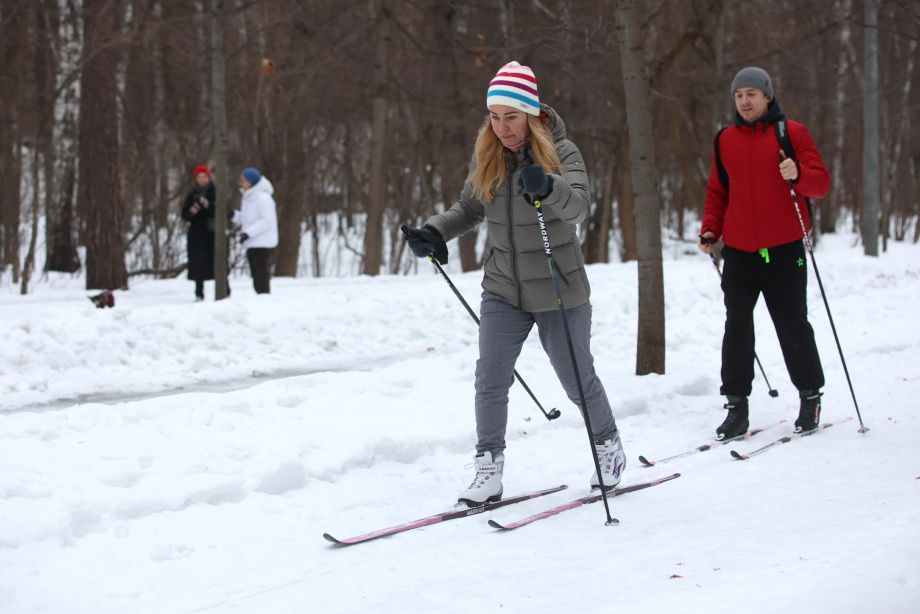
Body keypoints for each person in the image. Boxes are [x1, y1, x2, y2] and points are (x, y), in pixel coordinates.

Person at [403, 61, 625, 507]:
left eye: (511, 116)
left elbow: (579, 208)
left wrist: (549, 186)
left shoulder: (563, 152)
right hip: (503, 287)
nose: (501, 127)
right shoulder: (488, 153)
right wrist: (435, 231)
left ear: (532, 114)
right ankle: (488, 467)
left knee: (576, 378)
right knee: (490, 377)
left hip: (559, 287)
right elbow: (470, 208)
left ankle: (608, 446)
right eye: (494, 116)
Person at [699, 66, 830, 440]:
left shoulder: (792, 133)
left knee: (792, 323)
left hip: (785, 249)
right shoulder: (725, 139)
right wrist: (711, 228)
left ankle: (810, 396)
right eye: (738, 95)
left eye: (751, 94)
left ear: (767, 96)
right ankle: (736, 407)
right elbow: (718, 192)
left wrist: (798, 173)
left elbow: (821, 184)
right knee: (737, 327)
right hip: (740, 251)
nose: (744, 101)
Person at [232, 167, 278, 294]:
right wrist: (233, 215)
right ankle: (260, 296)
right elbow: (247, 219)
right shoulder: (248, 197)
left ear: (251, 181)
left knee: (261, 273)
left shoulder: (263, 197)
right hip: (252, 242)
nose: (241, 183)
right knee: (255, 273)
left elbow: (267, 220)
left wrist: (248, 233)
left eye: (244, 180)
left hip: (263, 242)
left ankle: (264, 297)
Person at [181, 164, 216, 301]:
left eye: (204, 177)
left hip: (212, 233)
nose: (202, 180)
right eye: (199, 177)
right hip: (196, 234)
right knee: (198, 264)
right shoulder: (192, 194)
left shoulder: (214, 191)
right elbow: (185, 215)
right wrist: (194, 209)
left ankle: (224, 290)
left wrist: (208, 205)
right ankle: (199, 293)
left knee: (216, 262)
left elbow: (220, 210)